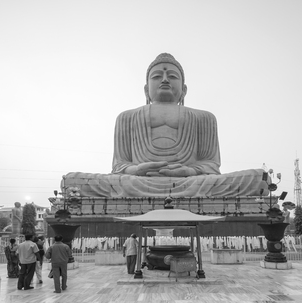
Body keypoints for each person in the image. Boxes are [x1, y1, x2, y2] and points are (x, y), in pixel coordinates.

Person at [62, 53, 268, 198]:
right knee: (72, 181)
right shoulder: (126, 117)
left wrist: (188, 172)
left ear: (184, 89)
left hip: (191, 182)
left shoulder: (204, 118)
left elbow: (210, 165)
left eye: (172, 76)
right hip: (137, 182)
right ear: (146, 89)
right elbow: (119, 166)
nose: (165, 79)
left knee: (259, 178)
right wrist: (136, 170)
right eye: (157, 76)